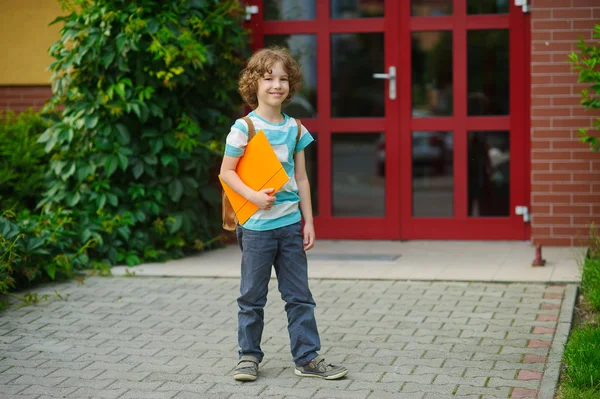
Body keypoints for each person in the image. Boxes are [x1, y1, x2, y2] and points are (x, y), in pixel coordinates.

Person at [219, 46, 348, 382]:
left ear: (291, 86)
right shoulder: (243, 128)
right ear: (254, 84)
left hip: (290, 225)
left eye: (283, 79)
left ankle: (306, 358)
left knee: (299, 296)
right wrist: (251, 196)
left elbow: (302, 178)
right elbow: (227, 172)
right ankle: (248, 357)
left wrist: (310, 222)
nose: (277, 84)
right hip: (257, 227)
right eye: (268, 78)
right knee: (252, 296)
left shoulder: (295, 129)